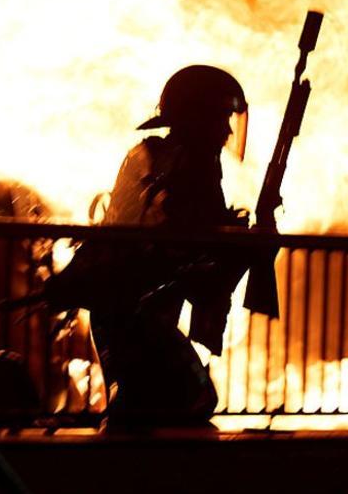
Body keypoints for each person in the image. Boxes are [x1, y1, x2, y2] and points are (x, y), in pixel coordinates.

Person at [44, 65, 251, 429]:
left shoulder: (165, 158)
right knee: (180, 401)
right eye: (221, 115)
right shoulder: (180, 166)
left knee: (160, 405)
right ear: (196, 116)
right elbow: (177, 240)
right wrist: (232, 240)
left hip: (132, 308)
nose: (228, 129)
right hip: (132, 310)